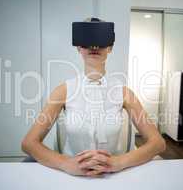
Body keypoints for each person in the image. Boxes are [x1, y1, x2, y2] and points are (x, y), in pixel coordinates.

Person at [21, 17, 166, 177]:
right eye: (87, 41)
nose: (94, 46)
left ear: (110, 47)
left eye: (100, 41)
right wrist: (65, 163)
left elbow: (158, 143)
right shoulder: (63, 91)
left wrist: (119, 162)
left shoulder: (124, 93)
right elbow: (29, 143)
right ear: (78, 47)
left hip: (115, 177)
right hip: (72, 177)